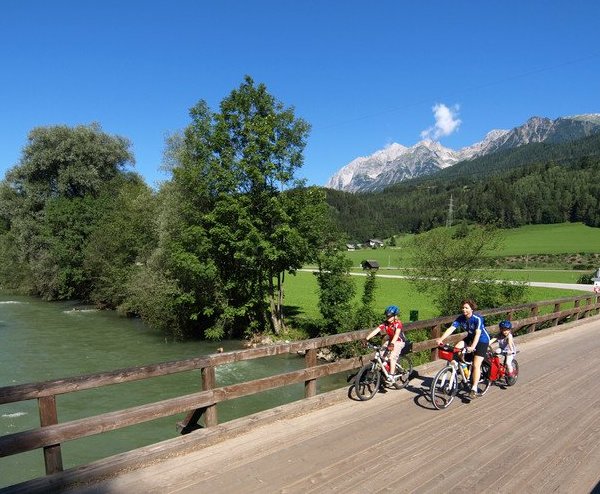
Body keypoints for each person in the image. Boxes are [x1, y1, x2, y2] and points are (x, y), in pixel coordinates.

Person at [436, 299, 490, 399]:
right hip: (470, 337)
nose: (464, 309)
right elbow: (451, 328)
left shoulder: (477, 318)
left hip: (482, 340)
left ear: (472, 309)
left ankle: (474, 388)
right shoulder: (461, 318)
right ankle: (463, 367)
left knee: (476, 364)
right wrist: (441, 339)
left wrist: (473, 347)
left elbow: (478, 333)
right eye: (463, 307)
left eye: (466, 308)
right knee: (457, 348)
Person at [365, 305, 405, 383]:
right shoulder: (385, 323)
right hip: (391, 341)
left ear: (394, 316)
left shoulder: (398, 323)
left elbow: (397, 335)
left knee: (392, 357)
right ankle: (387, 366)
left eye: (390, 317)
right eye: (387, 316)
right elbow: (377, 330)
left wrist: (392, 344)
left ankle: (392, 375)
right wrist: (366, 338)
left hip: (399, 342)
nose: (388, 318)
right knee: (381, 353)